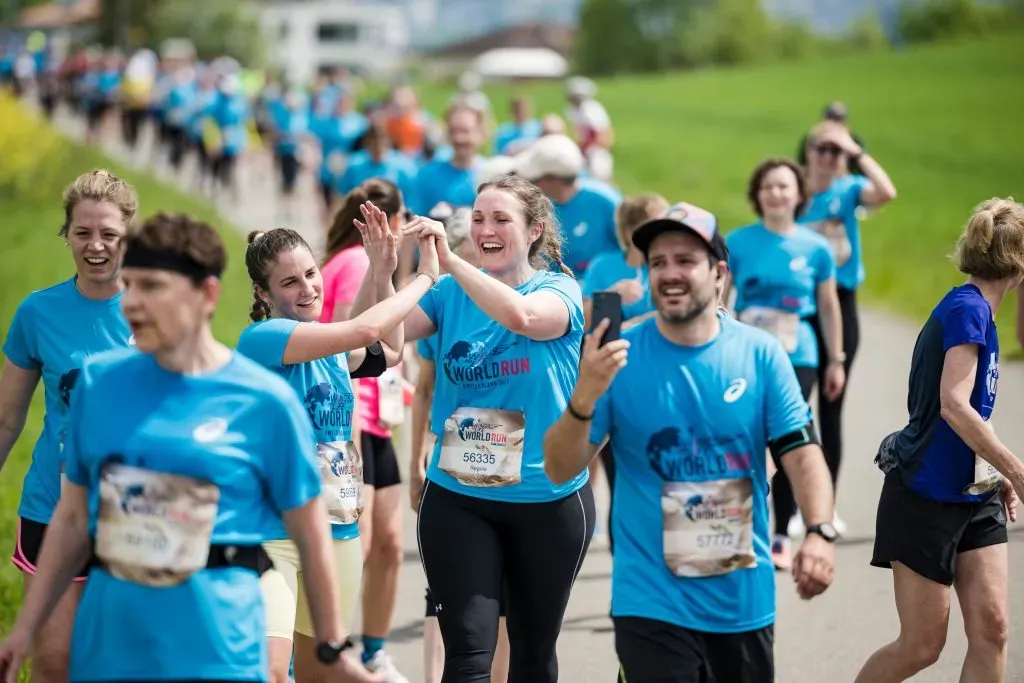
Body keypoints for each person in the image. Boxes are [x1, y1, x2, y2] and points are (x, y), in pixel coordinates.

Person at [0, 212, 378, 683]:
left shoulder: (264, 402)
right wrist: (24, 628)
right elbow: (73, 519)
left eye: (153, 287)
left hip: (222, 647)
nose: (132, 304)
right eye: (131, 285)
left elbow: (310, 533)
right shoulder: (98, 387)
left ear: (206, 296)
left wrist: (332, 645)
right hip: (117, 644)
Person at [542, 201, 837, 683]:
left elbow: (802, 454)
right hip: (650, 600)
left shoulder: (760, 355)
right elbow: (558, 467)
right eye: (658, 263)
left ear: (719, 273)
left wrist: (820, 532)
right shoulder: (618, 360)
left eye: (685, 261)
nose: (670, 273)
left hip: (741, 598)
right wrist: (584, 396)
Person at [399, 173, 593, 682]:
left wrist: (453, 261)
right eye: (478, 217)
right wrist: (384, 270)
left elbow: (525, 318)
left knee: (531, 654)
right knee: (466, 655)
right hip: (459, 499)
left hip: (545, 501)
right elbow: (382, 340)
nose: (486, 227)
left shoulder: (559, 288)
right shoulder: (447, 294)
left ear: (534, 230)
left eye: (501, 218)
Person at [238, 211, 439, 683]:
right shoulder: (264, 340)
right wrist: (427, 277)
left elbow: (389, 349)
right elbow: (364, 330)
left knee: (317, 670)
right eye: (289, 282)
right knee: (269, 669)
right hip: (274, 533)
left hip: (339, 529)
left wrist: (383, 273)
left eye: (311, 273)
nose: (308, 288)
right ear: (263, 294)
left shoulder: (329, 350)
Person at [856, 198, 1024, 683]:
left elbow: (972, 416)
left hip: (974, 494)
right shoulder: (968, 311)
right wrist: (1016, 469)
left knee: (993, 630)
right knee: (922, 646)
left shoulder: (978, 311)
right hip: (925, 493)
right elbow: (953, 405)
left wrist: (994, 471)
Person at [0, 170, 137, 683]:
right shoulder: (38, 313)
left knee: (122, 663)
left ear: (130, 236)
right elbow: (7, 416)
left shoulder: (157, 308)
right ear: (67, 235)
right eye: (83, 233)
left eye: (108, 234)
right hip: (53, 510)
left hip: (136, 511)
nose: (95, 245)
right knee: (55, 660)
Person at [726, 157, 846, 569]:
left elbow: (829, 306)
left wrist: (838, 359)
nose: (776, 193)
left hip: (800, 355)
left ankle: (781, 533)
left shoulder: (816, 247)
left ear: (799, 194)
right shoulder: (737, 242)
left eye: (783, 186)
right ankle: (736, 526)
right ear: (757, 196)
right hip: (747, 353)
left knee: (787, 437)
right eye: (768, 187)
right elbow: (722, 300)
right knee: (746, 436)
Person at [409, 207, 512, 683]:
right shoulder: (446, 298)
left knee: (508, 606)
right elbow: (423, 384)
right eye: (471, 246)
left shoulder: (531, 293)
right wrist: (416, 458)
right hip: (455, 466)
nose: (479, 255)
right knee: (451, 602)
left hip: (517, 474)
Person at [319, 180, 416, 681]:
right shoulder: (357, 263)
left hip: (378, 420)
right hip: (355, 422)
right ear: (391, 223)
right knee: (362, 542)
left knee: (386, 543)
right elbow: (341, 349)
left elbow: (393, 347)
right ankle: (337, 649)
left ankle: (370, 648)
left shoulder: (353, 260)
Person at [799, 119, 897, 535]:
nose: (828, 157)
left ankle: (828, 503)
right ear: (808, 151)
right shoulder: (795, 193)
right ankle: (794, 503)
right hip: (801, 309)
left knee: (831, 409)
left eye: (835, 151)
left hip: (842, 302)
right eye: (822, 148)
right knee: (795, 409)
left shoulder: (849, 190)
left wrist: (856, 152)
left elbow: (887, 193)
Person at [579, 192, 670, 552]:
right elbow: (585, 322)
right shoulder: (604, 266)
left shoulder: (665, 267)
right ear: (632, 232)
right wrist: (612, 296)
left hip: (661, 380)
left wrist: (647, 319)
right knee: (620, 477)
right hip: (614, 382)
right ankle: (626, 568)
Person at [514, 134, 621, 279]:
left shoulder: (606, 201)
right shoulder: (533, 207)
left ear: (553, 180)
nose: (531, 184)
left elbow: (631, 253)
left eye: (535, 179)